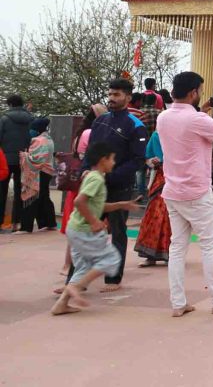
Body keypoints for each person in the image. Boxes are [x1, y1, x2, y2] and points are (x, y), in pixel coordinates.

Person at [158, 71, 213, 317]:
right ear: (194, 92)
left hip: (172, 191)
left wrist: (202, 109)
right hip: (196, 191)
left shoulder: (164, 117)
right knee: (209, 245)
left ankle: (178, 303)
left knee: (177, 247)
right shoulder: (198, 120)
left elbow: (189, 127)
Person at [65, 79, 148, 292]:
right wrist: (86, 169)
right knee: (85, 230)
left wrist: (109, 177)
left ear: (128, 98)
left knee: (118, 232)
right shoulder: (100, 121)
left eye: (117, 95)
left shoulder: (136, 126)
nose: (111, 98)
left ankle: (113, 279)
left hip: (119, 186)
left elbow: (138, 160)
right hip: (95, 185)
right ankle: (74, 282)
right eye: (110, 94)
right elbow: (91, 151)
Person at [51, 141, 144, 316]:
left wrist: (120, 204)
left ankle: (62, 304)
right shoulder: (96, 179)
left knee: (84, 266)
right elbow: (80, 201)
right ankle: (74, 287)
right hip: (83, 230)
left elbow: (97, 205)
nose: (114, 163)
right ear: (103, 160)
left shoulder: (94, 177)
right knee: (111, 259)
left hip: (76, 229)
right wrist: (94, 222)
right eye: (112, 159)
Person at [59, 104, 107, 277]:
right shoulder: (91, 134)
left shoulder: (80, 133)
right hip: (87, 182)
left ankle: (71, 265)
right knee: (82, 223)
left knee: (77, 221)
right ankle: (69, 265)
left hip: (77, 181)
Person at [134, 131, 171, 266]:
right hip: (160, 181)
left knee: (170, 218)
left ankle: (171, 254)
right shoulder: (157, 135)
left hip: (176, 180)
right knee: (153, 216)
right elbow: (148, 157)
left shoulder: (181, 133)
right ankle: (151, 255)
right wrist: (153, 161)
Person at [15, 117, 57, 234]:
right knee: (44, 198)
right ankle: (49, 223)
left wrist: (24, 155)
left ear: (37, 130)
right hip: (47, 172)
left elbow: (37, 160)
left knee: (31, 198)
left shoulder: (39, 141)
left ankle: (26, 227)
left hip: (39, 173)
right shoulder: (48, 139)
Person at [0, 94, 35, 230]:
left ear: (10, 105)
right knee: (20, 191)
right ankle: (17, 223)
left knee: (2, 191)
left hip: (5, 160)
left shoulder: (4, 119)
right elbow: (31, 137)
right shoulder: (29, 119)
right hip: (23, 158)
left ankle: (1, 223)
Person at [136, 93, 161, 197]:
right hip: (156, 142)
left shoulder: (140, 113)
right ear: (155, 101)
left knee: (140, 170)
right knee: (155, 168)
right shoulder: (160, 113)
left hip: (142, 142)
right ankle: (152, 189)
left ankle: (140, 192)